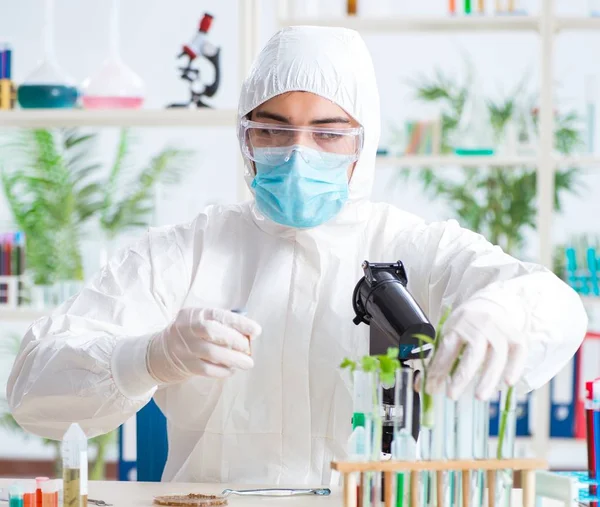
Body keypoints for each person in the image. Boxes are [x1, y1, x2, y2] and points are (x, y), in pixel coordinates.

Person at [7, 26, 587, 484]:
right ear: (245, 136)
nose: (298, 153)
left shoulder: (416, 246)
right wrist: (148, 356)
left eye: (329, 133)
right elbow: (32, 391)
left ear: (365, 141)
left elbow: (551, 304)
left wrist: (502, 313)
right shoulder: (186, 252)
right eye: (274, 130)